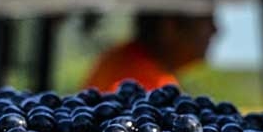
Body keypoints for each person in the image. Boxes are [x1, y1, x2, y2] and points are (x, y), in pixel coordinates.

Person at [84, 11, 217, 93]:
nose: (215, 30)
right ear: (170, 26)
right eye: (207, 20)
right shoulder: (137, 84)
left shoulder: (128, 61)